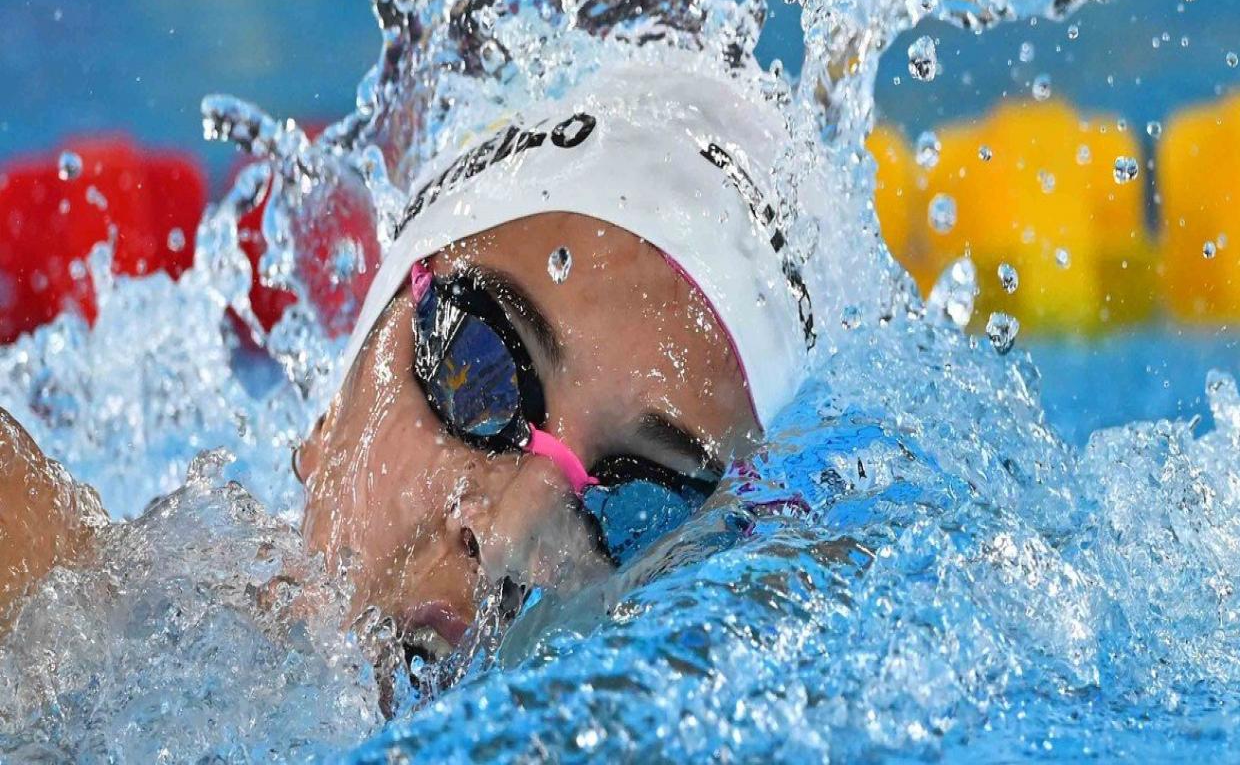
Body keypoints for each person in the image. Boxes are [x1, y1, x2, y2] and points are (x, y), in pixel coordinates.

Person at [0, 57, 814, 660]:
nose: (508, 535)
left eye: (638, 504)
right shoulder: (59, 628)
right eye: (480, 372)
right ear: (332, 411)